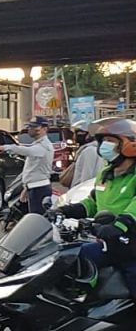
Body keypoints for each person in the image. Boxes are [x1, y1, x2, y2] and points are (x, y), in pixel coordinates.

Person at [55, 117, 136, 296]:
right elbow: (92, 202)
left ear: (129, 144)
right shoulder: (106, 173)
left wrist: (120, 224)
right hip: (109, 242)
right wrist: (66, 210)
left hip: (131, 243)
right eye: (102, 141)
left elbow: (134, 206)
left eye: (110, 141)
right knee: (70, 259)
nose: (104, 146)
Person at [0, 116, 54, 215]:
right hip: (34, 188)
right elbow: (32, 170)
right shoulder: (37, 144)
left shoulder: (44, 146)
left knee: (37, 220)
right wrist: (26, 188)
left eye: (35, 127)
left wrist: (5, 147)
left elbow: (26, 150)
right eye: (30, 126)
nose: (31, 129)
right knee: (32, 217)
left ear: (44, 129)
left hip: (40, 189)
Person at [65, 120, 105, 188]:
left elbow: (86, 178)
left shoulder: (89, 151)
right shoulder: (91, 149)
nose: (74, 137)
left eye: (76, 133)